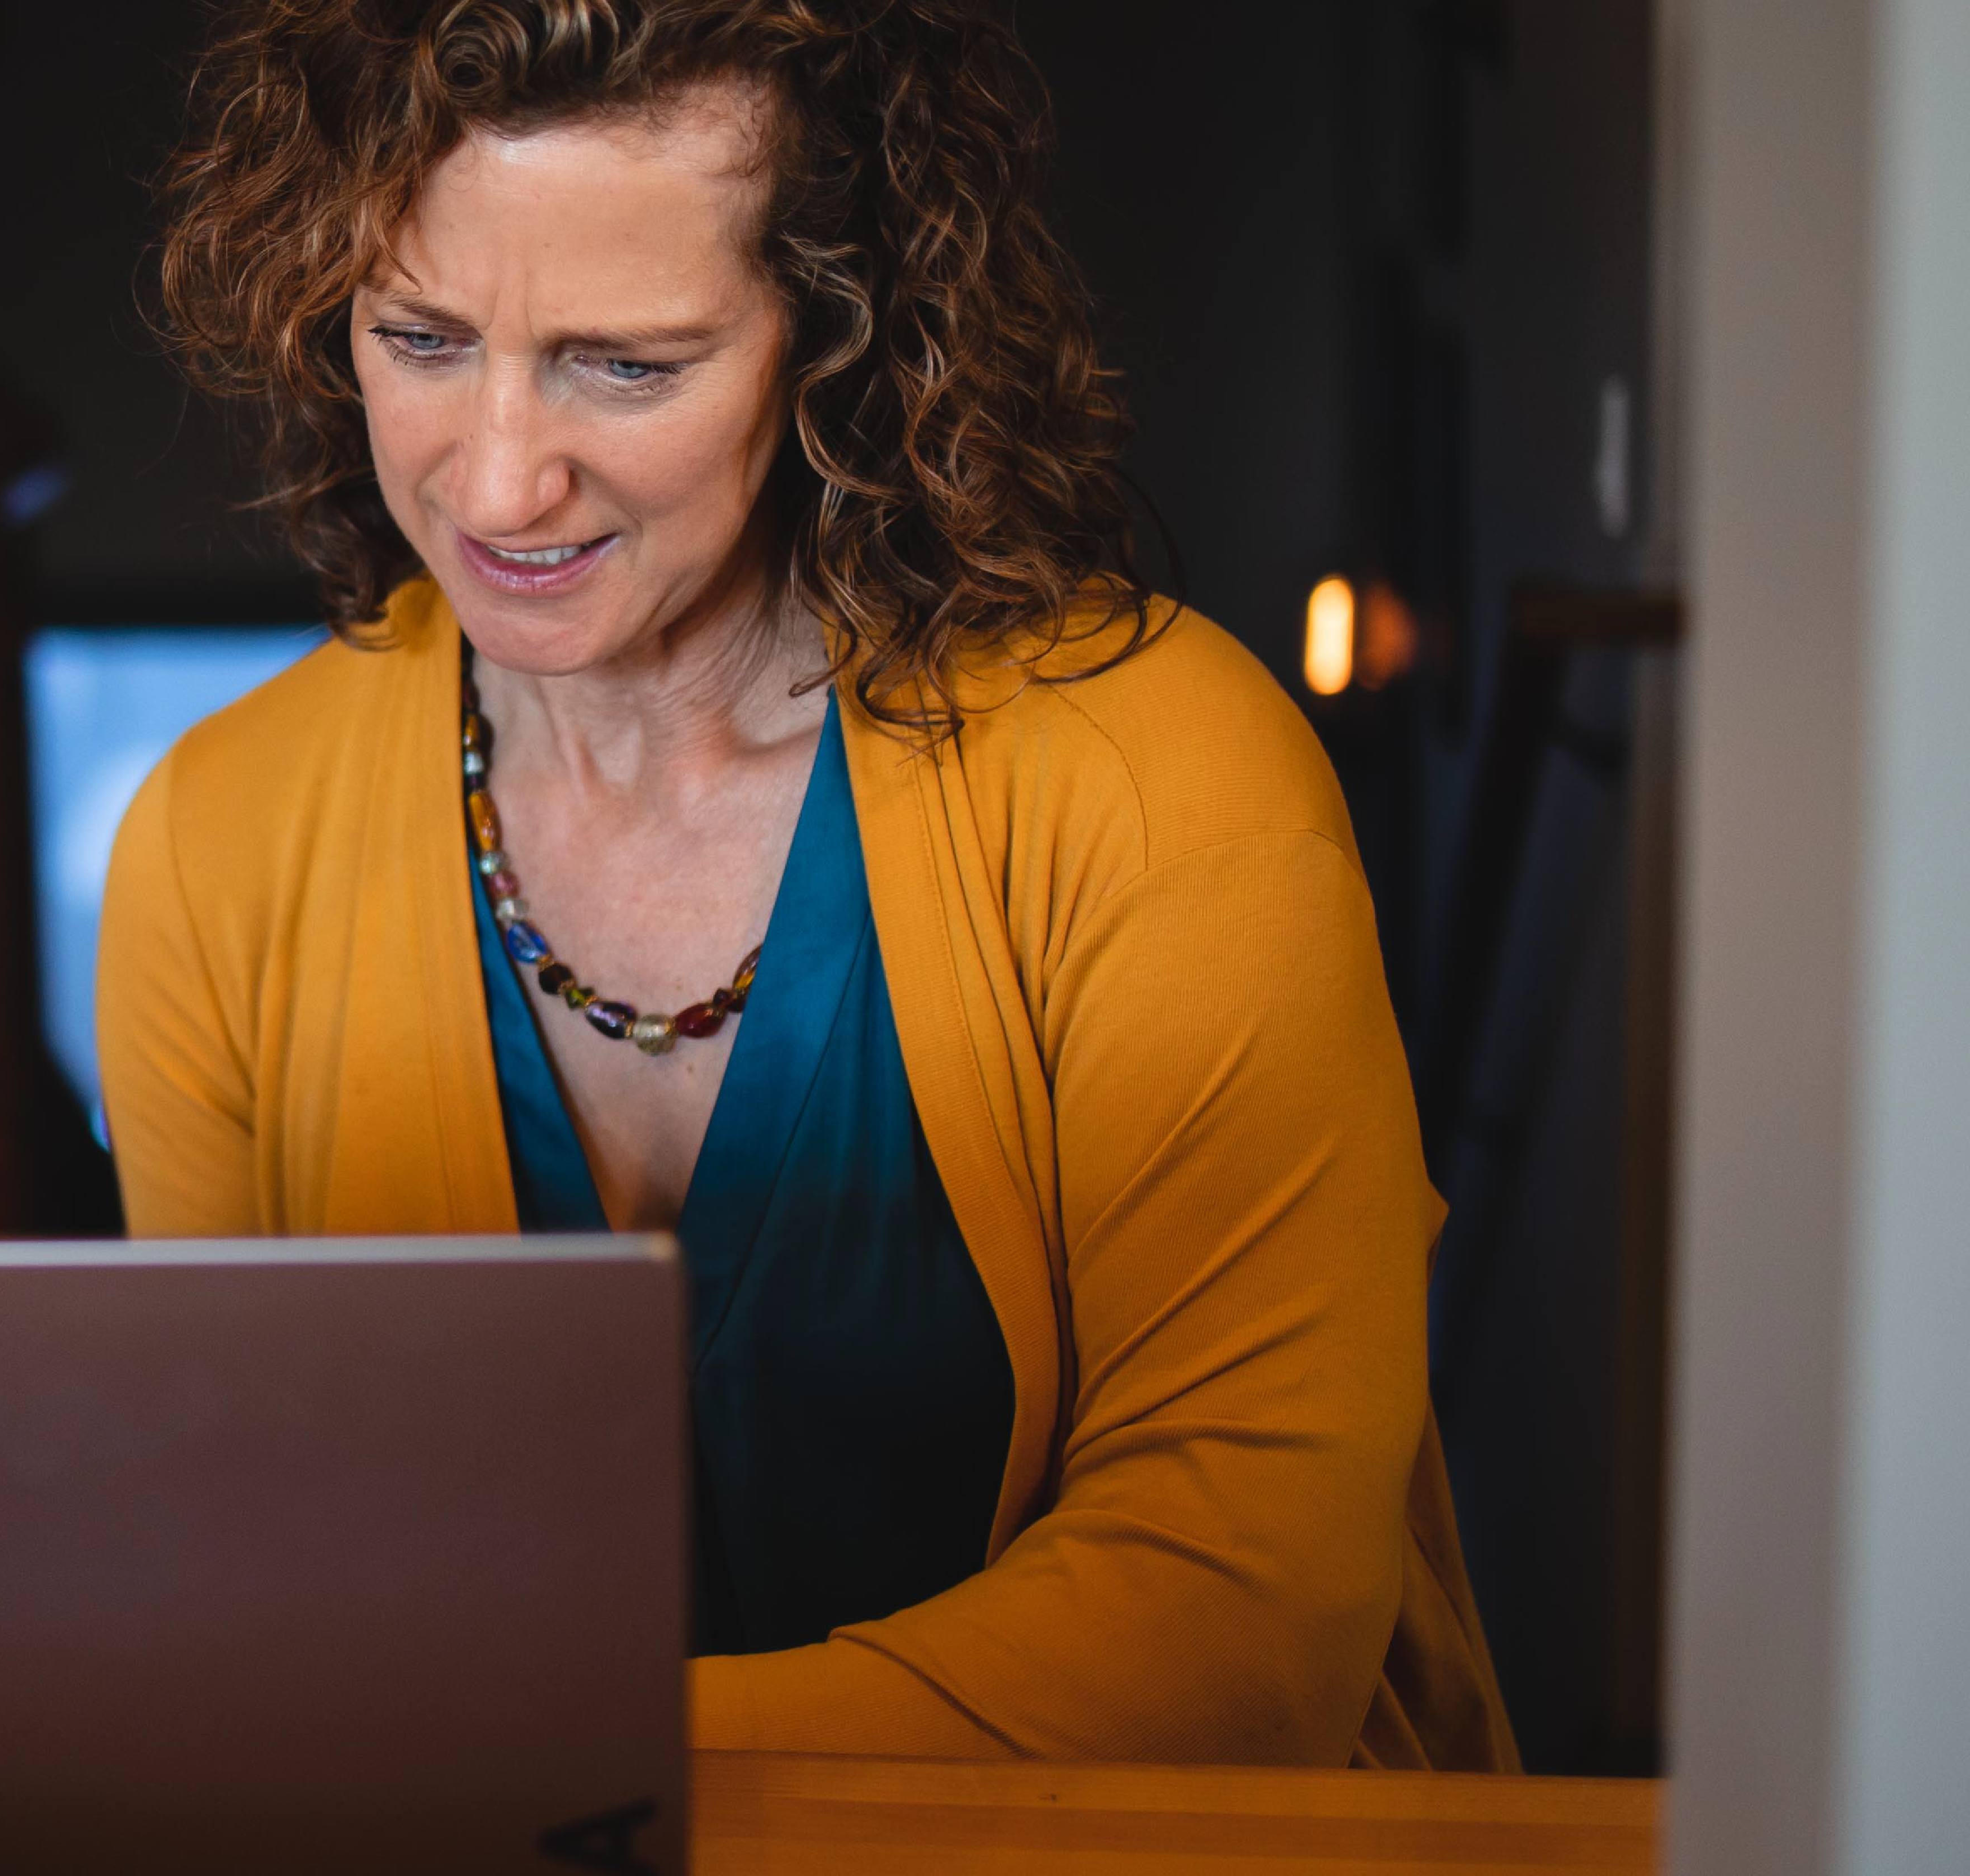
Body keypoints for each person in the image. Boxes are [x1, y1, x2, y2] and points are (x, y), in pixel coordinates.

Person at [110, 0, 1510, 1769]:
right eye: (423, 336)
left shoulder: (1172, 783)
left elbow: (1245, 1615)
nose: (498, 476)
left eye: (629, 362)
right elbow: (254, 1558)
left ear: (834, 339)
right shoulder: (216, 834)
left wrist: (575, 1762)